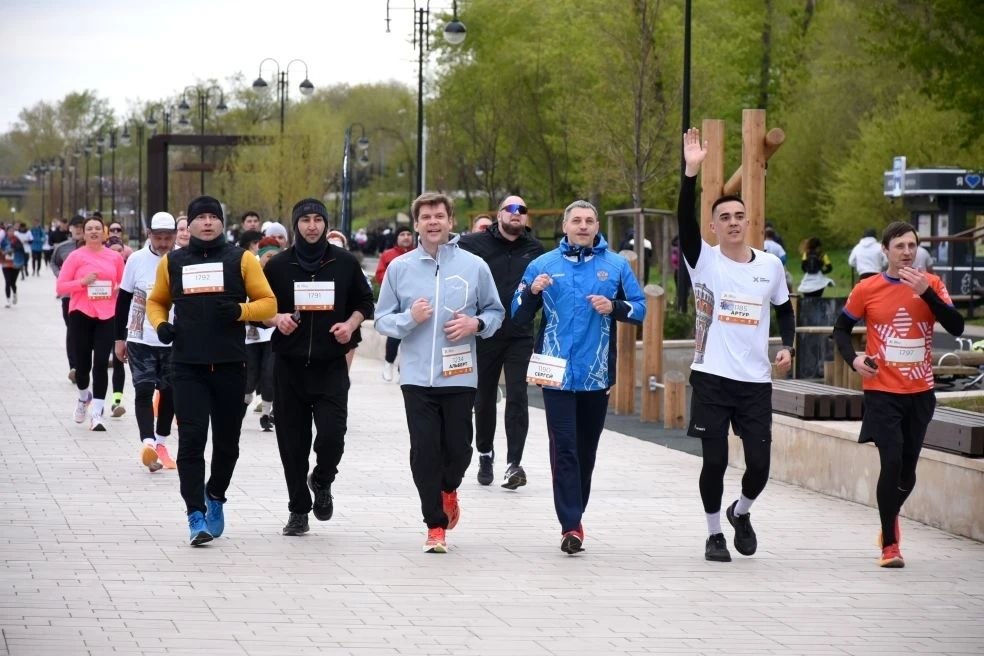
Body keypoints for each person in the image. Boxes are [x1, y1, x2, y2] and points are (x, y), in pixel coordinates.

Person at [677, 128, 795, 563]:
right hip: (711, 378)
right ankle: (714, 534)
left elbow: (784, 310)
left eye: (738, 216)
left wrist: (788, 346)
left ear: (748, 222)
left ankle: (740, 512)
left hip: (754, 382)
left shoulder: (771, 266)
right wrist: (690, 173)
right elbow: (684, 222)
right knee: (714, 463)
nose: (732, 222)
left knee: (760, 466)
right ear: (714, 226)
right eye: (724, 217)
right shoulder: (703, 260)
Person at [512, 200, 646, 554]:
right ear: (565, 226)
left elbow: (640, 308)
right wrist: (532, 291)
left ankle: (576, 512)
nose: (583, 226)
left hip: (595, 373)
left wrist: (613, 307)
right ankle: (570, 525)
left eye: (589, 220)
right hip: (554, 372)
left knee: (586, 450)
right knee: (565, 448)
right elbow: (517, 312)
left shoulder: (616, 265)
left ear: (597, 226)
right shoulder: (543, 264)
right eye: (576, 220)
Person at [375, 191, 504, 553]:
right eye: (426, 217)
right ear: (416, 224)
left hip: (460, 375)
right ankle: (435, 525)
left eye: (439, 216)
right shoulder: (400, 268)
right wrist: (409, 318)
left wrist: (475, 324)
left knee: (459, 450)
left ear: (451, 221)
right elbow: (381, 319)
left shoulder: (474, 266)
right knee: (424, 451)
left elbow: (495, 312)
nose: (433, 223)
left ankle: (449, 489)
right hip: (417, 378)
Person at [146, 196, 276, 546]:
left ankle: (215, 494)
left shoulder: (241, 259)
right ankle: (195, 514)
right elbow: (156, 301)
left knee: (227, 443)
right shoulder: (173, 261)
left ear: (221, 222)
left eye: (212, 217)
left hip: (230, 365)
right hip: (187, 366)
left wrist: (239, 311)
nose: (206, 222)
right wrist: (161, 325)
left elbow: (269, 304)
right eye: (200, 217)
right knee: (191, 441)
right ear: (188, 225)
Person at [833, 221, 963, 568]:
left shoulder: (932, 284)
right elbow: (841, 329)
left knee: (907, 473)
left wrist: (926, 293)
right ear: (885, 251)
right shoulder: (868, 288)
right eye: (899, 246)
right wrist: (854, 359)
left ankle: (888, 518)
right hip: (882, 392)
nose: (907, 252)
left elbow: (956, 326)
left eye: (911, 246)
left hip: (920, 392)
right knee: (890, 463)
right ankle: (890, 544)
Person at [262, 198, 375, 536]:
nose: (312, 226)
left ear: (326, 224)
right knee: (292, 445)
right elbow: (258, 307)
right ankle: (298, 510)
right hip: (289, 367)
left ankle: (322, 480)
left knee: (332, 437)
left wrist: (350, 325)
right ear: (295, 224)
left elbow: (364, 302)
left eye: (317, 219)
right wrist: (276, 319)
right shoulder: (278, 265)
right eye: (305, 220)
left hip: (330, 366)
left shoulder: (344, 262)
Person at [459, 195, 544, 489]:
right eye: (510, 208)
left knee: (518, 397)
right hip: (486, 332)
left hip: (520, 333)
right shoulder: (474, 244)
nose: (516, 213)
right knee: (484, 397)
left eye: (522, 209)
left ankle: (514, 463)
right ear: (498, 215)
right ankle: (485, 454)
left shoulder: (535, 250)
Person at [114, 212, 179, 472]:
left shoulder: (182, 259)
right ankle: (148, 443)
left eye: (168, 238)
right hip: (140, 336)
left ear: (175, 236)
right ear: (149, 235)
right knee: (143, 390)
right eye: (158, 238)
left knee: (169, 392)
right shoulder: (136, 260)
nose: (163, 243)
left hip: (174, 338)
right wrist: (119, 338)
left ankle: (161, 442)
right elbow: (123, 300)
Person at [55, 215, 125, 431]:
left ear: (104, 233)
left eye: (97, 228)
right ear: (83, 234)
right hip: (81, 313)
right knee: (83, 365)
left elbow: (124, 283)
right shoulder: (75, 257)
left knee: (101, 363)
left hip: (107, 314)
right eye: (89, 228)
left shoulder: (115, 257)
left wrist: (118, 288)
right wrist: (82, 282)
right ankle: (84, 397)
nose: (94, 231)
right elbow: (60, 287)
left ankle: (97, 414)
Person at [244, 236, 281, 431]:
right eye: (269, 256)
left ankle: (266, 414)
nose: (272, 260)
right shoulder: (250, 273)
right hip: (250, 334)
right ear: (261, 256)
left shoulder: (282, 275)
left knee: (269, 374)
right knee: (250, 375)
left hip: (272, 333)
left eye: (276, 256)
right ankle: (242, 405)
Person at [375, 226, 415, 382]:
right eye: (402, 234)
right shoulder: (388, 255)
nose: (406, 237)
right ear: (397, 238)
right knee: (394, 335)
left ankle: (403, 370)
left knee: (411, 337)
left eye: (408, 234)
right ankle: (388, 363)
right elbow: (380, 275)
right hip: (394, 302)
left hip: (413, 303)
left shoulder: (418, 254)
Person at [51, 215, 85, 380]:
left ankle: (84, 364)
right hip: (69, 296)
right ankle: (74, 367)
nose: (78, 229)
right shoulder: (62, 247)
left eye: (81, 226)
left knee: (85, 332)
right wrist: (61, 276)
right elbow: (54, 263)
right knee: (72, 330)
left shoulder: (92, 247)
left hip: (88, 297)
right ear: (69, 228)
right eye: (75, 226)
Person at [1, 225, 28, 307]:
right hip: (5, 263)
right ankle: (8, 301)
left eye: (12, 231)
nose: (11, 232)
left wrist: (13, 250)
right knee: (7, 281)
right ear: (6, 232)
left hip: (16, 263)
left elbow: (22, 250)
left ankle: (15, 293)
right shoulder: (3, 240)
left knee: (13, 282)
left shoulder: (17, 240)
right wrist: (4, 252)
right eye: (9, 231)